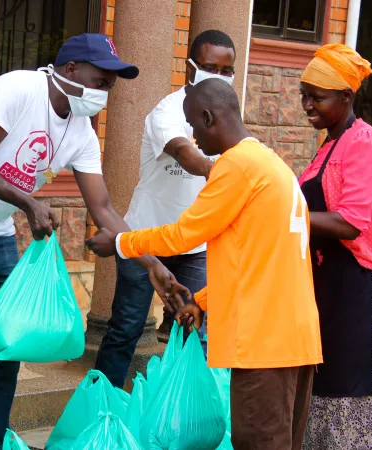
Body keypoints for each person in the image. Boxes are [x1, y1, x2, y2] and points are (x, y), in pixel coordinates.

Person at [0, 33, 187, 450]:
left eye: (111, 86)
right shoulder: (18, 88)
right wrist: (27, 202)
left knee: (4, 348)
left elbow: (106, 212)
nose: (104, 93)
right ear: (71, 69)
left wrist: (151, 264)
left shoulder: (81, 134)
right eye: (100, 81)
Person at [87, 78, 323, 449]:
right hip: (294, 336)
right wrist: (203, 301)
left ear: (209, 118)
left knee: (259, 442)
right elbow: (259, 263)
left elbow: (184, 235)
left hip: (264, 342)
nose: (195, 138)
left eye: (194, 127)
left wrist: (120, 241)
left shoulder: (237, 166)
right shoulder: (271, 163)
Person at [94, 30, 237, 388]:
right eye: (209, 67)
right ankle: (98, 410)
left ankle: (184, 420)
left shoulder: (229, 117)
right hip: (147, 239)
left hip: (196, 248)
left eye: (226, 70)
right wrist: (223, 170)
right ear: (189, 68)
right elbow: (184, 153)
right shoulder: (168, 111)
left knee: (196, 335)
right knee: (127, 329)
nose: (218, 76)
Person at [298, 44, 372, 449]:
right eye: (304, 94)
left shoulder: (364, 142)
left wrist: (283, 217)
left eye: (317, 96)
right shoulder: (329, 145)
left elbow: (350, 223)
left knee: (349, 398)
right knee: (324, 393)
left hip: (357, 292)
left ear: (346, 96)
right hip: (329, 288)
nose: (307, 104)